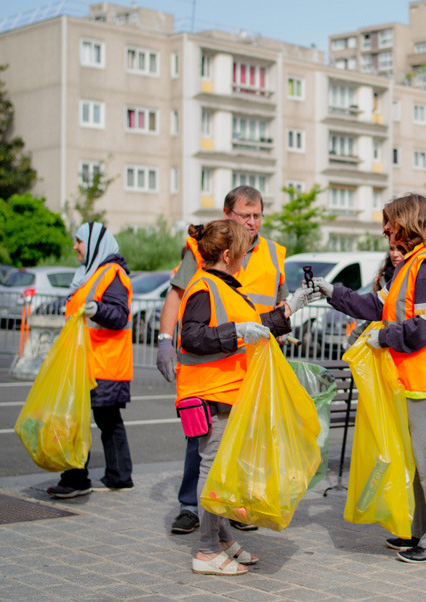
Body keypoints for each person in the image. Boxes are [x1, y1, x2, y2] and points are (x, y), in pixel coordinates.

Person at [312, 193, 426, 564]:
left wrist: (385, 336)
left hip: (424, 377)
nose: (385, 229)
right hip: (411, 376)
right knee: (422, 461)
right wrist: (334, 294)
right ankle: (425, 533)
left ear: (408, 222)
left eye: (390, 222)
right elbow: (377, 305)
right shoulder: (413, 265)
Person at [156, 186, 306, 535]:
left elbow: (264, 307)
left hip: (250, 364)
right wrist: (165, 340)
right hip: (214, 367)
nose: (252, 223)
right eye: (245, 216)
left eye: (257, 216)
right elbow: (179, 299)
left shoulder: (273, 253)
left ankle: (233, 508)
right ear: (228, 215)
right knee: (207, 446)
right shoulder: (204, 251)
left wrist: (283, 323)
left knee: (243, 440)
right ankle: (193, 509)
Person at [177, 219, 275, 576]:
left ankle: (221, 541)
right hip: (209, 395)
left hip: (225, 393)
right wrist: (236, 332)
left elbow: (252, 326)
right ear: (229, 254)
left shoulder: (226, 287)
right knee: (212, 471)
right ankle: (205, 550)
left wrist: (288, 311)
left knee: (220, 472)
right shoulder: (204, 286)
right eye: (246, 252)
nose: (249, 258)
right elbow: (191, 336)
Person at [46, 222, 135, 498]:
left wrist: (96, 309)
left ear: (95, 244)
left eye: (79, 241)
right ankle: (117, 476)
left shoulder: (112, 274)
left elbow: (119, 316)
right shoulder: (91, 275)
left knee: (86, 420)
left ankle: (76, 478)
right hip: (90, 364)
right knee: (102, 420)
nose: (75, 247)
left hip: (103, 365)